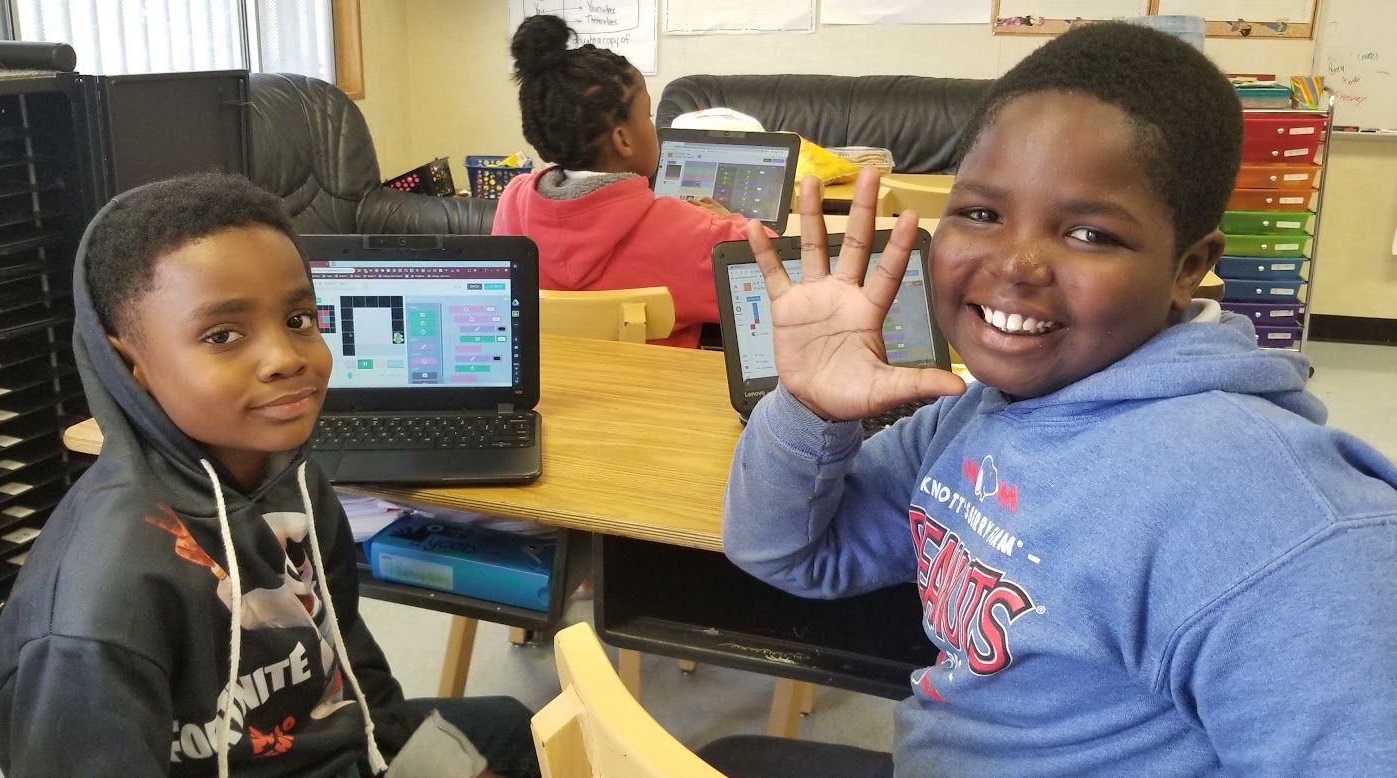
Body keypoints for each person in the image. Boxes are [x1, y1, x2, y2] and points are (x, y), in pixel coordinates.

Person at [714, 22, 1397, 777]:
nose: (1016, 264)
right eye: (982, 213)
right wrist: (808, 408)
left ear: (1187, 267)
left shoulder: (1278, 520)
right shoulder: (982, 409)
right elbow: (789, 554)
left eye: (1090, 234)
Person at [0, 173, 539, 778]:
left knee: (513, 726)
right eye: (222, 335)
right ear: (129, 363)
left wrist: (414, 758)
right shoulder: (94, 613)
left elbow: (345, 653)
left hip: (329, 748)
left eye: (299, 319)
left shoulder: (292, 477)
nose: (286, 358)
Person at [493, 14, 773, 349]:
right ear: (623, 139)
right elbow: (783, 271)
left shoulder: (513, 201)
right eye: (648, 115)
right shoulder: (691, 232)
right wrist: (729, 220)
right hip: (656, 385)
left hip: (549, 382)